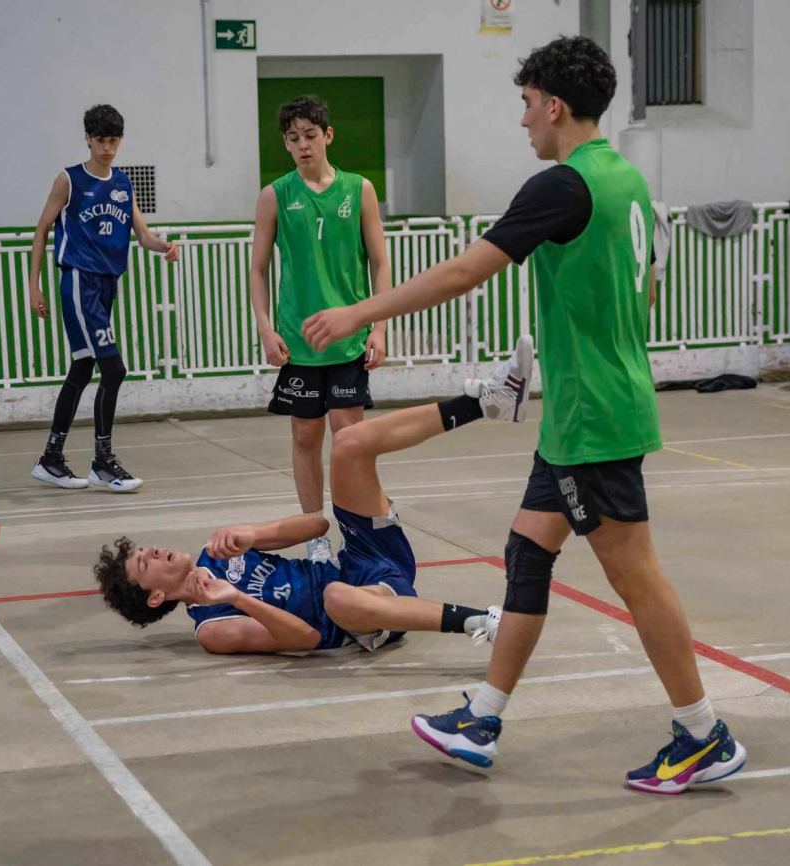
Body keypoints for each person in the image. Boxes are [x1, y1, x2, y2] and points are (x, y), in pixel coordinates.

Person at [303, 36, 746, 794]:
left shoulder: (562, 185)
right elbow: (642, 286)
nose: (523, 120)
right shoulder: (626, 179)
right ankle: (483, 717)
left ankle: (704, 733)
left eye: (527, 104)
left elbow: (464, 271)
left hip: (593, 418)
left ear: (555, 106)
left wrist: (358, 313)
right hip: (588, 409)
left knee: (637, 577)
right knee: (527, 552)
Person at [92, 338, 536, 654]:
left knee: (349, 443)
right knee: (336, 598)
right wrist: (237, 598)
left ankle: (488, 401)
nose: (154, 551)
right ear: (156, 597)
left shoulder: (217, 551)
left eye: (145, 550)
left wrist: (253, 534)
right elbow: (305, 639)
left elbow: (318, 524)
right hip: (363, 613)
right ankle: (484, 621)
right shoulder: (213, 628)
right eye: (145, 563)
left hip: (363, 560)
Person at [249, 95, 393, 564]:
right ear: (285, 144)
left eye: (310, 135)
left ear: (327, 135)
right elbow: (258, 269)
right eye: (293, 138)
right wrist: (266, 329)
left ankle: (361, 532)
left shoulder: (359, 189)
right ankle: (315, 537)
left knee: (350, 442)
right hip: (298, 342)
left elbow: (380, 263)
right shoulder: (274, 195)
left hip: (348, 341)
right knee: (305, 438)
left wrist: (378, 328)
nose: (302, 144)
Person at [28, 104, 180, 492]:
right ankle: (103, 462)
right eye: (101, 141)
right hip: (79, 281)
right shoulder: (70, 179)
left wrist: (164, 246)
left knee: (83, 368)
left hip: (107, 284)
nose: (107, 148)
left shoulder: (123, 184)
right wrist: (34, 285)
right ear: (88, 139)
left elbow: (142, 235)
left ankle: (51, 458)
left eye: (113, 141)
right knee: (114, 369)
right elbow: (42, 229)